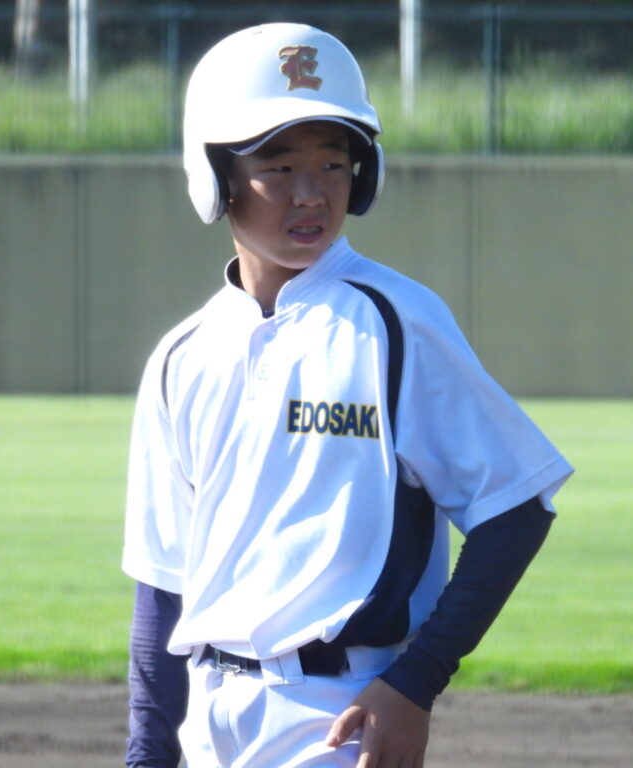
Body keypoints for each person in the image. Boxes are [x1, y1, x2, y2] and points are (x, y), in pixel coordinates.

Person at [122, 22, 572, 768]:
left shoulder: (395, 321)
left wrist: (416, 683)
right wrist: (146, 750)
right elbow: (162, 588)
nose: (311, 193)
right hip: (207, 718)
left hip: (338, 718)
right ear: (215, 174)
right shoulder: (182, 355)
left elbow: (515, 509)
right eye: (278, 165)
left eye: (334, 163)